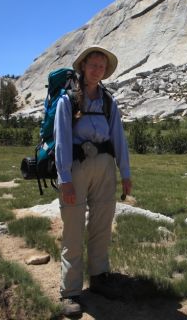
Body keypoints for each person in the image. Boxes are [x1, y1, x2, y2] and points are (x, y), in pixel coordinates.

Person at [54, 46, 132, 317]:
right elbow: (62, 140)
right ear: (83, 66)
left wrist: (126, 173)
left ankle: (99, 277)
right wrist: (64, 179)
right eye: (93, 65)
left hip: (105, 169)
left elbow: (118, 138)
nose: (97, 69)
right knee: (73, 228)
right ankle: (70, 291)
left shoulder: (109, 101)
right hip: (76, 168)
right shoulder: (67, 100)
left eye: (102, 66)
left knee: (102, 224)